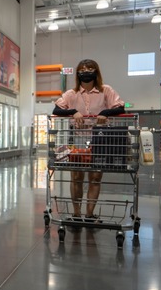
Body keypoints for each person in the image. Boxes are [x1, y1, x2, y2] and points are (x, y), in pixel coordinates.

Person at [52, 59, 125, 221]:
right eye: (83, 69)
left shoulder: (106, 91)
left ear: (96, 72)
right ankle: (76, 213)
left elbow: (120, 107)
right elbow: (56, 109)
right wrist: (73, 111)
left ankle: (90, 214)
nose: (86, 71)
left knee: (95, 177)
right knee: (76, 177)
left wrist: (105, 112)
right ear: (78, 73)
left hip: (100, 140)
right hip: (78, 139)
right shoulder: (71, 94)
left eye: (90, 68)